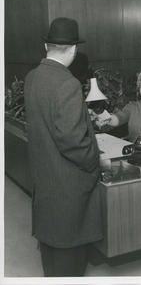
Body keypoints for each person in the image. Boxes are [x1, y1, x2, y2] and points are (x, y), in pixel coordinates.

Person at [24, 17, 103, 277]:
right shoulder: (67, 83)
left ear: (47, 46)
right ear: (73, 50)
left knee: (52, 264)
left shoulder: (32, 78)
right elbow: (73, 141)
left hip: (45, 183)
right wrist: (94, 161)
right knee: (70, 266)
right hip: (68, 188)